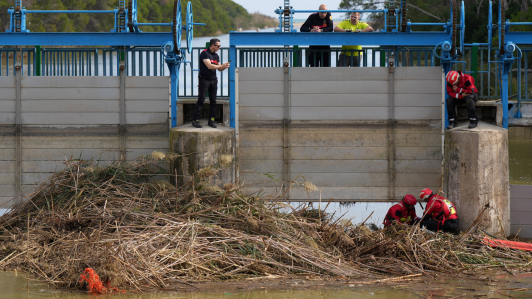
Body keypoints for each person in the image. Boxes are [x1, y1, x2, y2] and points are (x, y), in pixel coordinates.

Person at [192, 38, 230, 128]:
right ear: (212, 45)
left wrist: (225, 66)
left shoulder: (216, 56)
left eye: (220, 46)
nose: (219, 47)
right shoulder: (205, 53)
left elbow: (219, 68)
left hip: (214, 80)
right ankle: (195, 120)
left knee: (213, 101)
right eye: (218, 46)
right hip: (204, 80)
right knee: (201, 100)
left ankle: (211, 120)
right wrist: (221, 66)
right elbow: (209, 66)